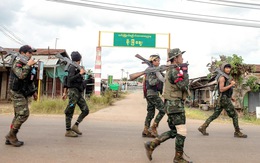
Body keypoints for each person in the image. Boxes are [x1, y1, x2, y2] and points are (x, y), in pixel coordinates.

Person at [144, 48, 192, 163]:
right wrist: (186, 74)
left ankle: (152, 144)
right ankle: (178, 157)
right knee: (182, 131)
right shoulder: (174, 71)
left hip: (172, 105)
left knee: (175, 131)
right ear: (175, 58)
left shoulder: (174, 70)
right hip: (175, 105)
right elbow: (182, 85)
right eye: (181, 56)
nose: (182, 58)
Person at [198, 62, 247, 138]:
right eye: (226, 68)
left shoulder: (226, 77)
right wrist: (231, 85)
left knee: (215, 115)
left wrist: (231, 97)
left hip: (222, 98)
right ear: (223, 69)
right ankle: (237, 132)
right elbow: (221, 89)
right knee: (234, 115)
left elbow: (225, 90)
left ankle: (203, 127)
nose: (228, 69)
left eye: (229, 68)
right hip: (224, 99)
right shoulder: (222, 78)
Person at [5, 45, 38, 147]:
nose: (31, 55)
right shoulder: (17, 62)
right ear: (22, 53)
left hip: (22, 91)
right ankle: (11, 135)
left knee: (18, 115)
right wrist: (28, 65)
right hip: (16, 92)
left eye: (32, 53)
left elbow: (29, 79)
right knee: (24, 114)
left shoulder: (27, 63)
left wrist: (34, 92)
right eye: (29, 53)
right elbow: (21, 75)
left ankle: (10, 137)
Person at [64, 51, 89, 137]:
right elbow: (69, 79)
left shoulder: (77, 67)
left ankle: (75, 126)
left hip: (78, 92)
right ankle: (68, 130)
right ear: (79, 59)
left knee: (85, 110)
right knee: (70, 110)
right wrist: (80, 74)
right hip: (73, 92)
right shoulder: (72, 67)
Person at [142, 54, 165, 138]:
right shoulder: (151, 70)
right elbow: (152, 82)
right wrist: (160, 78)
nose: (159, 62)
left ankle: (146, 130)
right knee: (163, 110)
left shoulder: (153, 69)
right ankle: (153, 128)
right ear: (153, 61)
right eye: (157, 60)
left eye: (159, 60)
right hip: (152, 93)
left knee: (151, 112)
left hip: (149, 93)